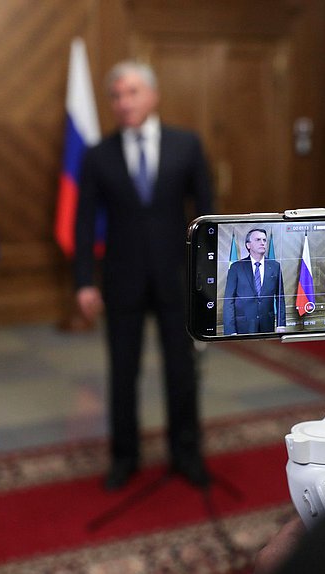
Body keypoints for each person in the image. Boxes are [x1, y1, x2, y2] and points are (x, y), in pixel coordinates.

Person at [74, 60, 214, 490]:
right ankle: (124, 456)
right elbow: (82, 224)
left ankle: (186, 453)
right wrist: (83, 281)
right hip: (122, 280)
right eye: (116, 95)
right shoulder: (98, 156)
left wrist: (209, 277)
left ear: (152, 96)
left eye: (132, 92)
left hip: (177, 278)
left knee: (181, 369)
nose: (124, 102)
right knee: (122, 371)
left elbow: (207, 215)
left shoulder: (186, 145)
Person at [223, 228, 286, 335]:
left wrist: (281, 324)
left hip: (267, 324)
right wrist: (230, 331)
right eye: (258, 240)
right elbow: (229, 300)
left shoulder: (275, 266)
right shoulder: (236, 268)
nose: (262, 243)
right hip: (243, 325)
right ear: (248, 245)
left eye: (264, 240)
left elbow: (280, 297)